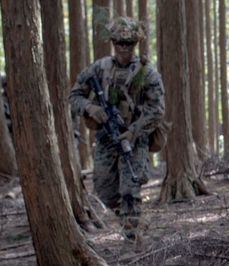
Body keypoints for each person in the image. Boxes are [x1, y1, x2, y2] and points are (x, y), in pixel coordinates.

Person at [69, 16, 165, 242]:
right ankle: (132, 220)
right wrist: (91, 107)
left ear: (136, 44)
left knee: (131, 189)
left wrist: (134, 131)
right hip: (106, 138)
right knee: (104, 191)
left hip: (135, 139)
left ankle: (133, 237)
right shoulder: (99, 69)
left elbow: (157, 109)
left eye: (129, 43)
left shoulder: (147, 73)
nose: (124, 48)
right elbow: (75, 95)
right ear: (113, 43)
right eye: (119, 43)